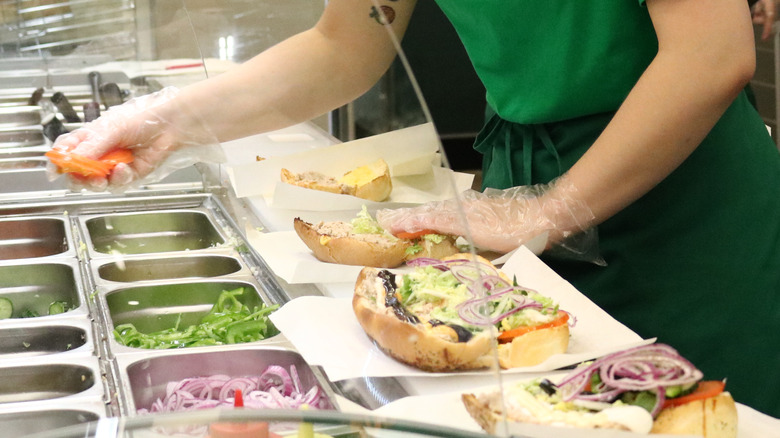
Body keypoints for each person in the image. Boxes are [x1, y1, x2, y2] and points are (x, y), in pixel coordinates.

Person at [50, 1, 780, 417]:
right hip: (527, 187)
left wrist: (551, 209)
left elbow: (710, 56)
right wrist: (172, 120)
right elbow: (344, 46)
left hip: (687, 204)